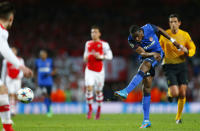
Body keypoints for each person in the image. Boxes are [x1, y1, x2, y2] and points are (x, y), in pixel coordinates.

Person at [114, 23, 185, 128]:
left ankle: (126, 91)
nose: (137, 39)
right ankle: (146, 120)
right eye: (135, 37)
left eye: (138, 36)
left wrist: (173, 41)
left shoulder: (149, 28)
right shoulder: (131, 39)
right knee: (146, 87)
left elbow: (160, 30)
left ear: (141, 32)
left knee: (145, 65)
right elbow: (142, 53)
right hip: (148, 55)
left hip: (158, 54)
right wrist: (152, 54)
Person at [0, 2, 33, 131]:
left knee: (3, 93)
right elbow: (4, 49)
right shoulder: (2, 31)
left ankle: (7, 127)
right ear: (11, 18)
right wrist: (21, 66)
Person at [159, 14, 196, 124]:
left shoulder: (185, 35)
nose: (173, 24)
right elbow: (159, 49)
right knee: (175, 93)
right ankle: (170, 94)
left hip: (182, 66)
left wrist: (187, 51)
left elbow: (193, 48)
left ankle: (178, 118)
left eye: (175, 21)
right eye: (171, 22)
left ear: (179, 23)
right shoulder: (165, 35)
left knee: (182, 93)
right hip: (169, 66)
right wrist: (159, 55)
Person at [83, 25, 113, 120]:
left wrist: (101, 56)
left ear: (99, 34)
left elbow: (110, 56)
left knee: (98, 91)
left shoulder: (104, 44)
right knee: (89, 88)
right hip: (89, 70)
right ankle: (90, 110)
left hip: (99, 71)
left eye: (95, 32)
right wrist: (85, 58)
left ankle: (99, 110)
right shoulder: (88, 43)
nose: (93, 34)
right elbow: (85, 55)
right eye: (92, 32)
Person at [1, 47, 24, 116]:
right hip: (9, 79)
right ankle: (12, 111)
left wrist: (19, 76)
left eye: (14, 51)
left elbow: (22, 69)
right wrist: (2, 82)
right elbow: (4, 71)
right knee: (11, 94)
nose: (13, 52)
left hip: (17, 80)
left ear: (16, 52)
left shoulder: (20, 60)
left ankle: (14, 107)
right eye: (12, 51)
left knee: (17, 95)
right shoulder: (5, 60)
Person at [35, 50, 56, 117]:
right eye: (41, 54)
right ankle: (48, 110)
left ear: (46, 55)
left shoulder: (50, 61)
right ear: (40, 55)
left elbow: (55, 69)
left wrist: (52, 73)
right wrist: (36, 79)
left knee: (48, 96)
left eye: (44, 54)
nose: (43, 55)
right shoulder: (37, 61)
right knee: (45, 94)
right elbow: (35, 70)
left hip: (48, 81)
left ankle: (49, 108)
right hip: (41, 82)